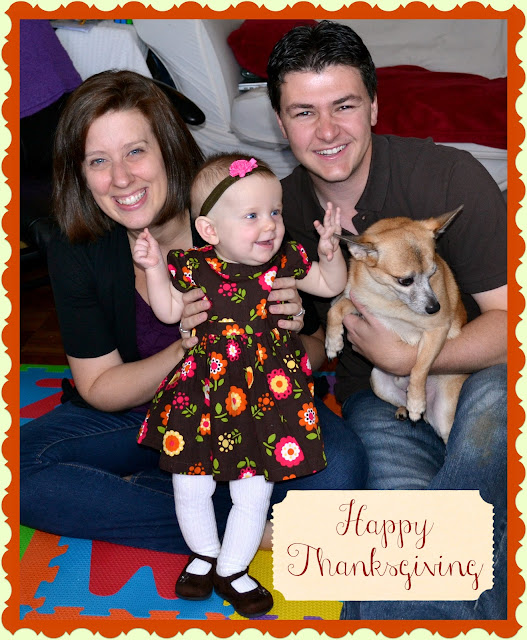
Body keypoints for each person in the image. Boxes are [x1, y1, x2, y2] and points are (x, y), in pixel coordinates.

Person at [19, 70, 368, 584]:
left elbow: (316, 352)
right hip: (148, 414)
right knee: (18, 471)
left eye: (135, 152)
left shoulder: (246, 212)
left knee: (341, 471)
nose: (121, 178)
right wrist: (188, 347)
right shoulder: (78, 247)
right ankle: (235, 526)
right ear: (81, 174)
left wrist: (289, 333)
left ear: (168, 148)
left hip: (257, 403)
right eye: (98, 161)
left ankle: (185, 499)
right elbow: (99, 387)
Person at [267, 20, 507, 620]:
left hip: (483, 371)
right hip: (375, 399)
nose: (326, 131)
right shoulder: (274, 213)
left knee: (483, 438)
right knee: (396, 562)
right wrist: (287, 346)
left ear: (374, 106)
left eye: (344, 106)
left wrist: (410, 358)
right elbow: (315, 344)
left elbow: (512, 324)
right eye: (303, 112)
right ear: (280, 122)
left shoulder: (449, 177)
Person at [131, 152, 347, 617]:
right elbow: (168, 312)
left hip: (266, 397)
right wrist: (152, 268)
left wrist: (331, 254)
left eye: (275, 212)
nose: (270, 225)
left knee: (254, 488)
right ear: (209, 230)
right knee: (190, 482)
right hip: (202, 395)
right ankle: (204, 555)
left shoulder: (285, 261)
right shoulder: (193, 266)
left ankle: (232, 568)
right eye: (252, 216)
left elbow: (330, 287)